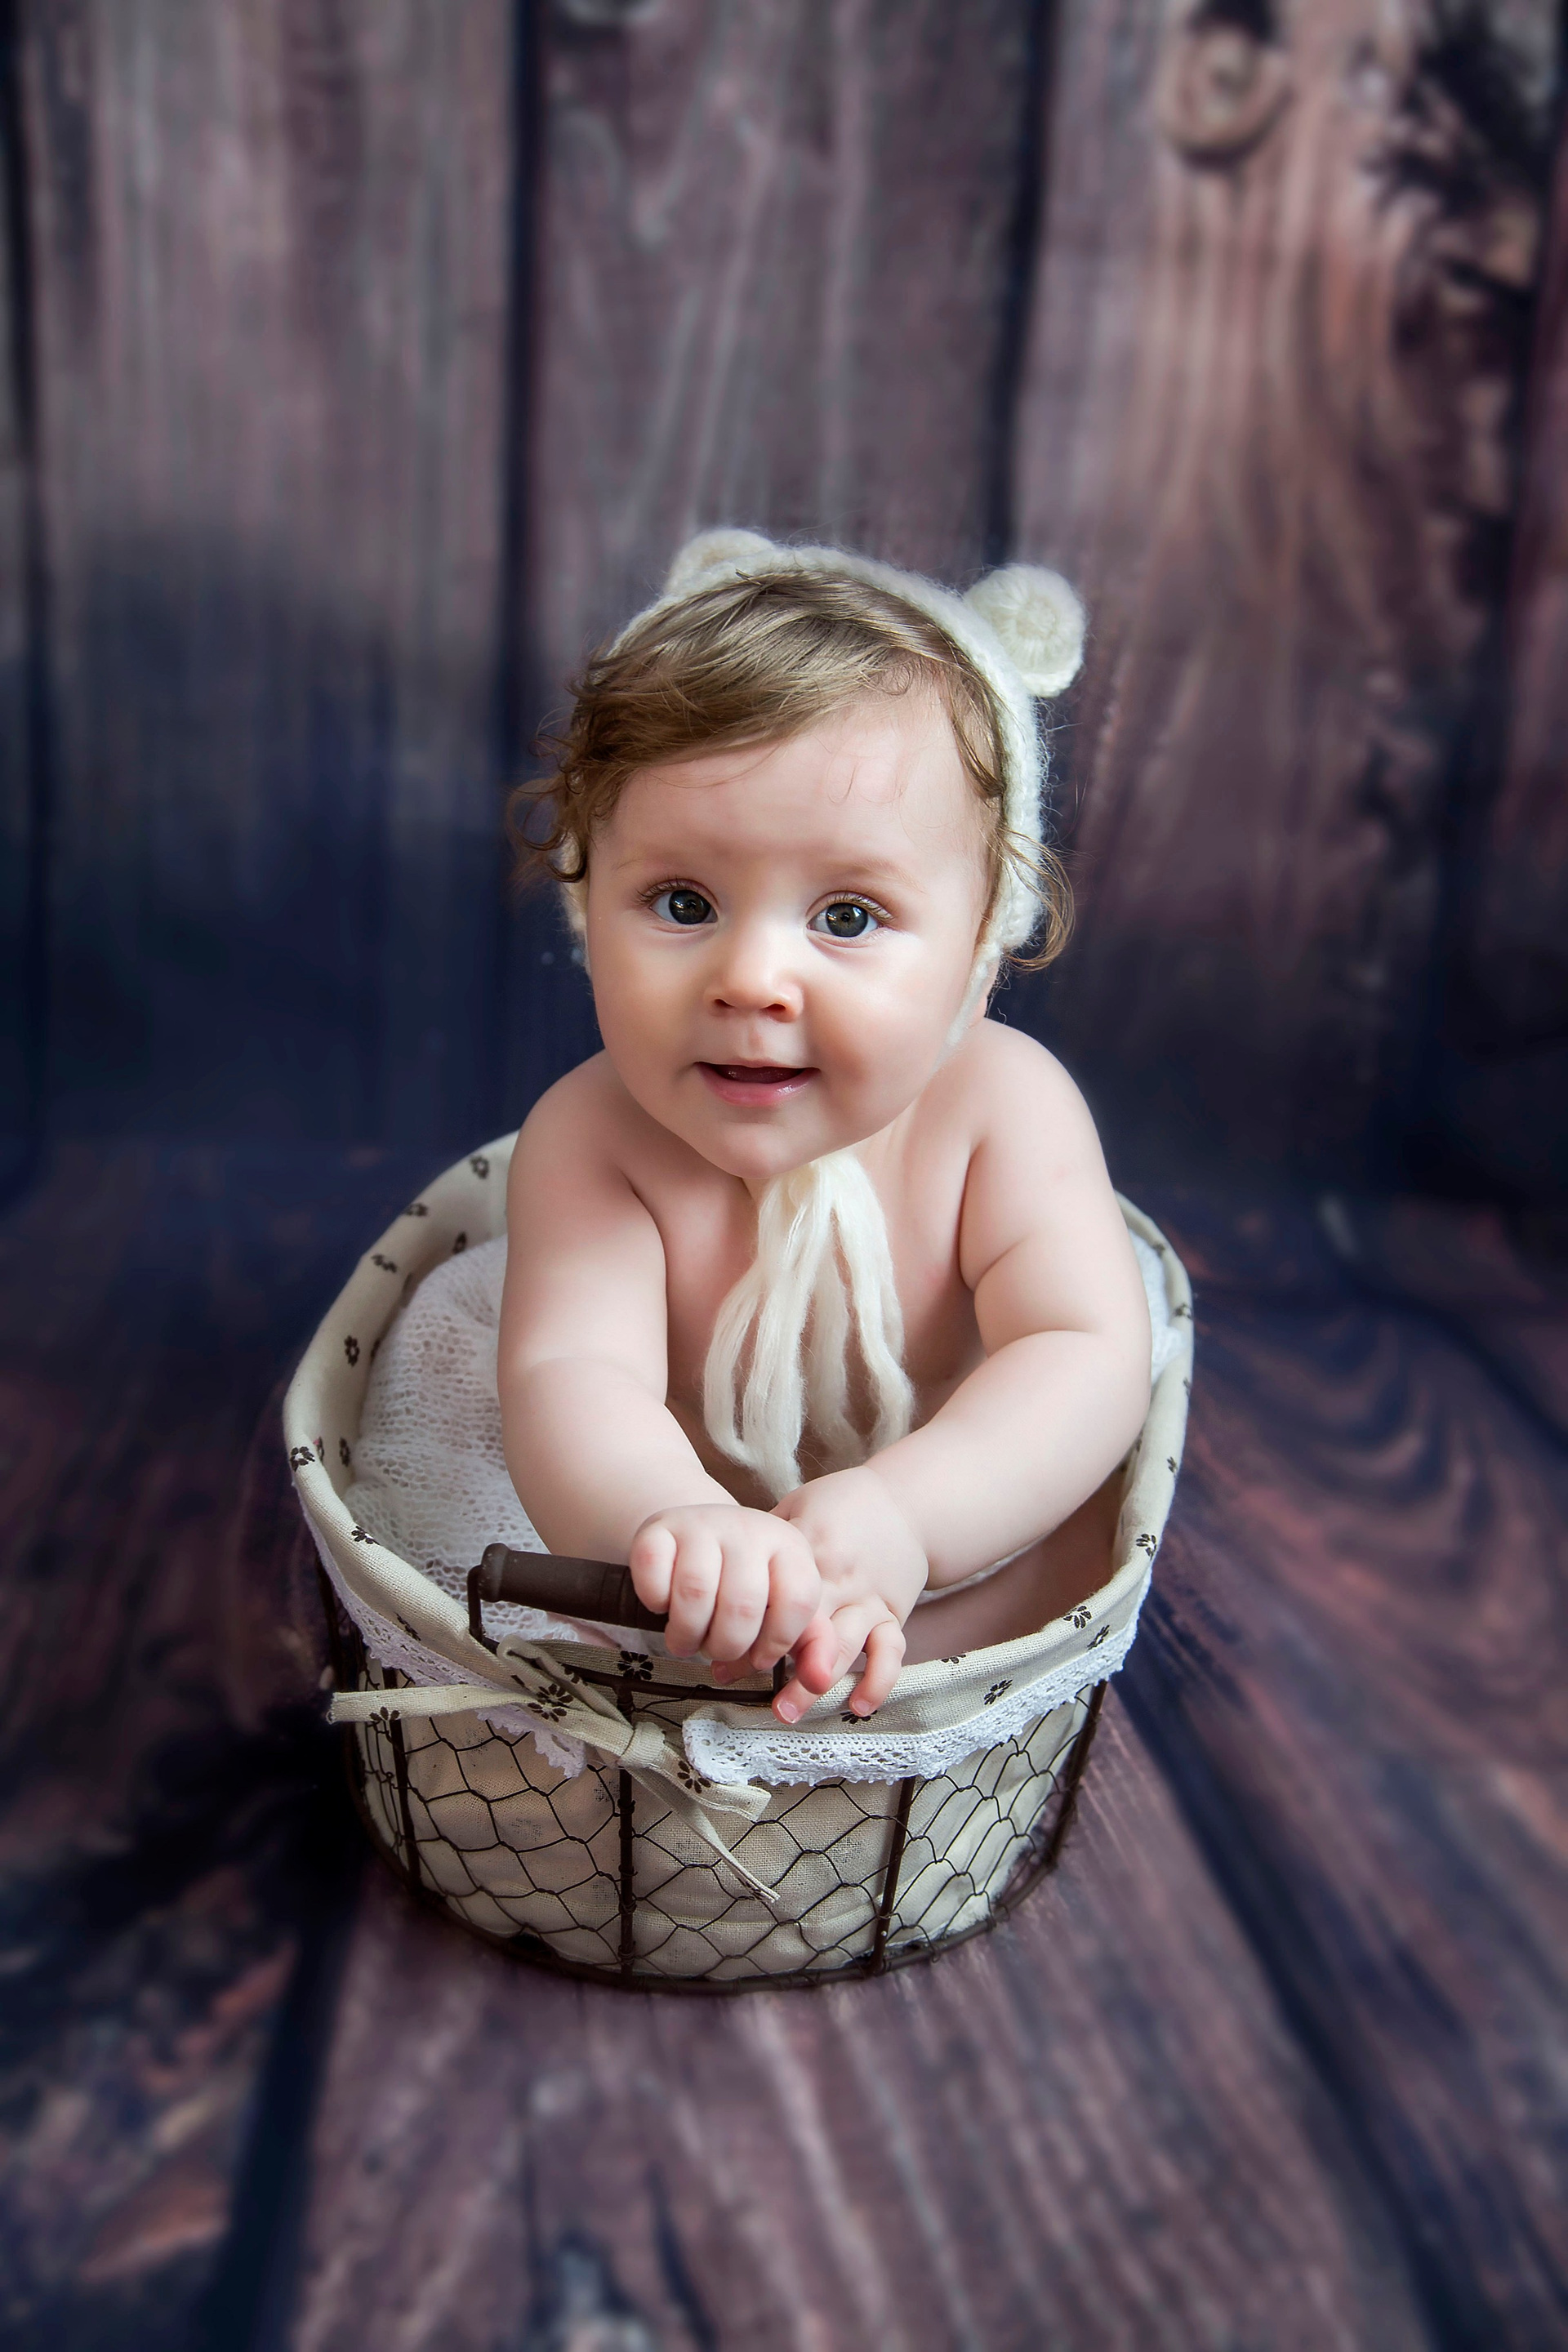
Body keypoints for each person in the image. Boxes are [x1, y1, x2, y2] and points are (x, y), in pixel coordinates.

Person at [497, 531, 1152, 1730]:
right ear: (590, 910)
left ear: (978, 950)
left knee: (1047, 1575)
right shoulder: (591, 1140)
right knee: (585, 1672)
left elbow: (1084, 1349)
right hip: (681, 1587)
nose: (752, 978)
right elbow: (570, 1378)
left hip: (965, 1546)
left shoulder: (1004, 1112)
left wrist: (911, 1515)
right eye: (682, 902)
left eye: (847, 916)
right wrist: (672, 1524)